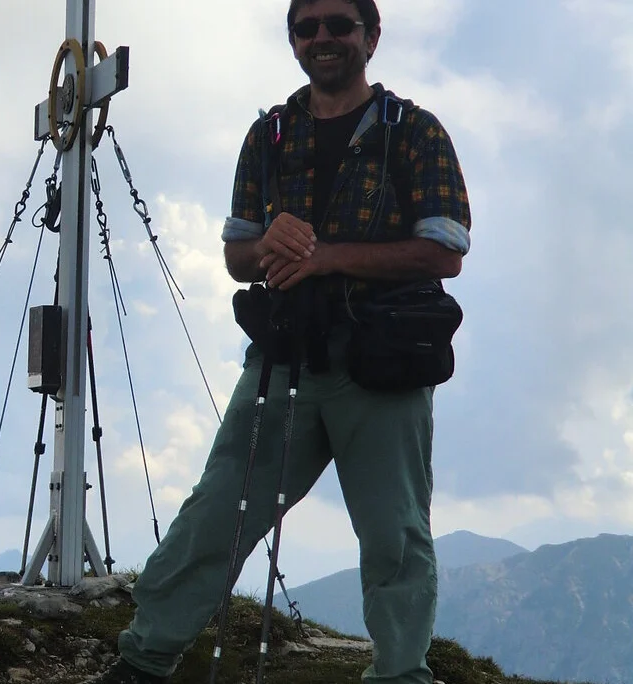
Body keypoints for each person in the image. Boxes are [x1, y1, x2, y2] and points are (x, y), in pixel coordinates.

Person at [86, 1, 471, 683]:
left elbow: (445, 250)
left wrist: (325, 257)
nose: (322, 38)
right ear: (294, 40)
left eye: (338, 25)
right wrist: (267, 244)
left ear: (370, 37)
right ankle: (142, 663)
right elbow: (238, 255)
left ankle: (403, 674)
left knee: (394, 537)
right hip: (286, 359)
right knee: (215, 516)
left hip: (381, 365)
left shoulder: (414, 131)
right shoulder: (269, 134)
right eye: (307, 27)